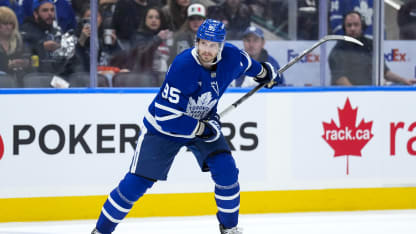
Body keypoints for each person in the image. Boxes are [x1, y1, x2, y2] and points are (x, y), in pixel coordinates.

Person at [91, 19, 280, 234]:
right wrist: (201, 129)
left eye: (212, 45)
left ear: (221, 45)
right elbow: (166, 117)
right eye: (203, 43)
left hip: (204, 122)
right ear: (197, 42)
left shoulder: (233, 57)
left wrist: (267, 74)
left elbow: (252, 67)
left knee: (227, 171)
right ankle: (101, 231)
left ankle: (229, 228)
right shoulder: (183, 66)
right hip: (164, 129)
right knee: (136, 184)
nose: (206, 50)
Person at [328, 11, 416, 86]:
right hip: (347, 98)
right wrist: (355, 93)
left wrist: (404, 80)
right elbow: (339, 78)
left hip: (369, 94)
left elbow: (384, 72)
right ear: (344, 28)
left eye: (356, 25)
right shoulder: (338, 49)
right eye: (349, 25)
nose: (352, 28)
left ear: (362, 26)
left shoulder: (371, 45)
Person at [20, 0, 68, 75]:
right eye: (45, 10)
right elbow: (22, 51)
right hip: (35, 76)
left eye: (52, 10)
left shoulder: (57, 30)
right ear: (36, 14)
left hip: (57, 75)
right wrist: (42, 47)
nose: (50, 13)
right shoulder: (26, 30)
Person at [0, 6, 30, 81]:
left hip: (17, 83)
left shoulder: (19, 41)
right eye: (4, 23)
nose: (8, 27)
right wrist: (7, 65)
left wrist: (25, 63)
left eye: (10, 23)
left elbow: (30, 62)